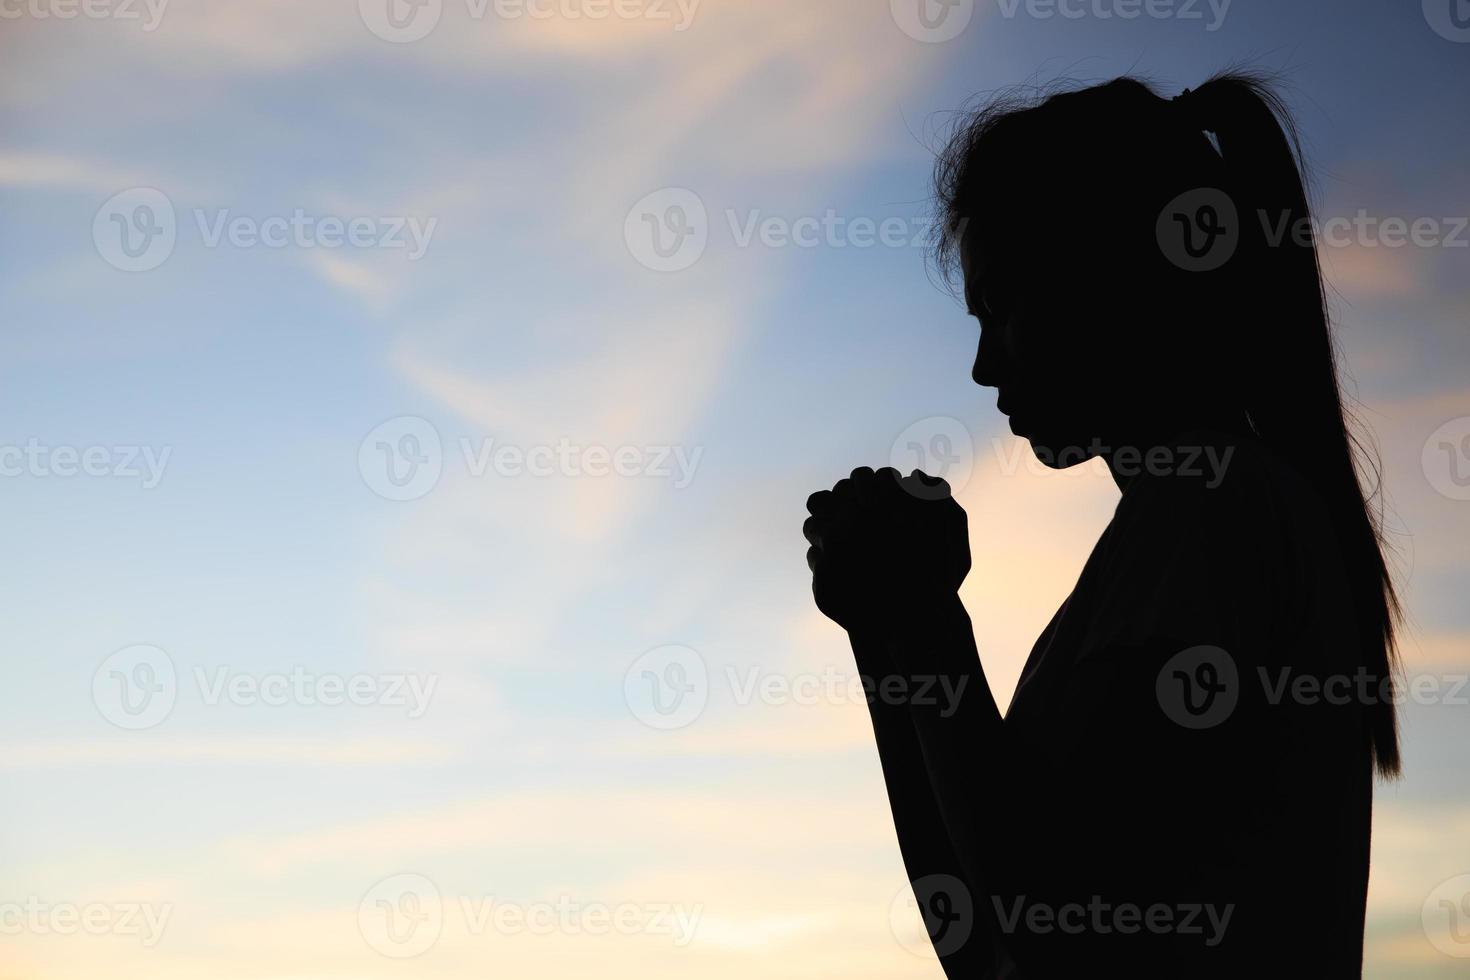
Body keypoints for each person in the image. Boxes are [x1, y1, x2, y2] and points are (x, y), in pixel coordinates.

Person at [803, 72, 1401, 977]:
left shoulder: (1217, 510)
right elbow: (985, 945)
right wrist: (887, 632)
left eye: (1001, 307)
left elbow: (1050, 921)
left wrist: (925, 619)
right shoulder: (1185, 527)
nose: (981, 366)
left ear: (1108, 278)